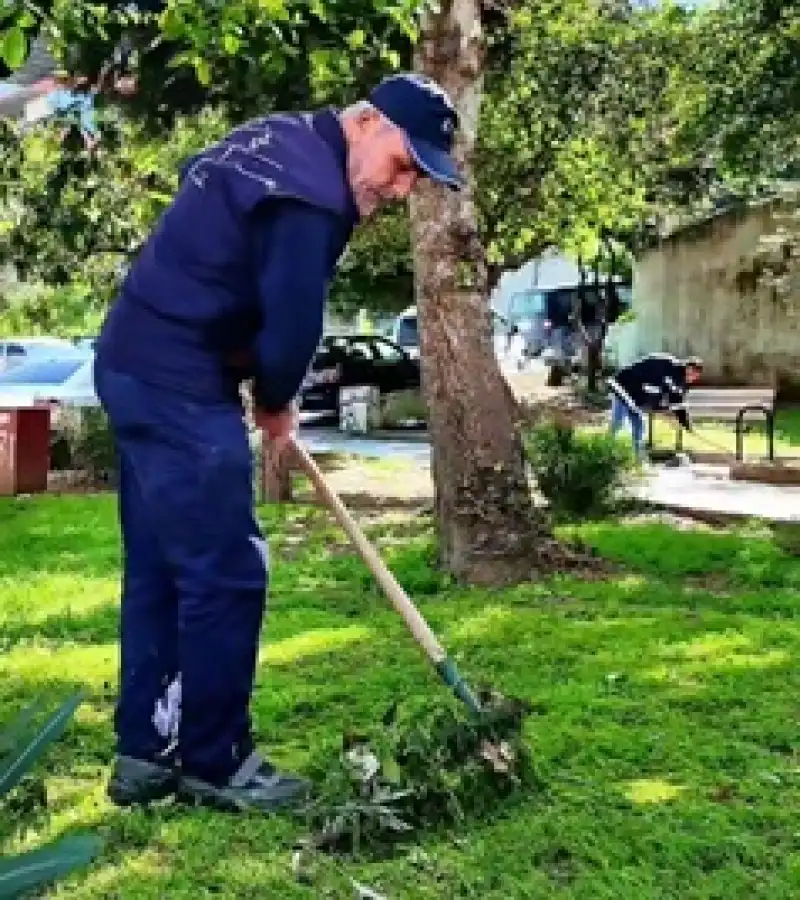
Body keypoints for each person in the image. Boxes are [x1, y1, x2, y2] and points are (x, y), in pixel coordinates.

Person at [93, 73, 464, 814]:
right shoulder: (312, 196)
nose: (399, 189)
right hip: (175, 377)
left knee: (166, 567)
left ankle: (146, 753)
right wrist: (276, 403)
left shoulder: (279, 139)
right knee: (228, 570)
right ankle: (214, 762)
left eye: (418, 177)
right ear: (366, 122)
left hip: (133, 359)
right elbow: (292, 327)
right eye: (403, 164)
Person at [608, 352, 704, 460]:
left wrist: (687, 425)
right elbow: (661, 397)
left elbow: (677, 404)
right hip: (623, 385)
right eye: (693, 373)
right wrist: (663, 412)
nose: (693, 378)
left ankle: (637, 460)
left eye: (696, 376)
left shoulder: (679, 383)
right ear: (688, 368)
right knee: (618, 423)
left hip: (636, 396)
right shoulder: (670, 368)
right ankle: (606, 451)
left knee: (639, 426)